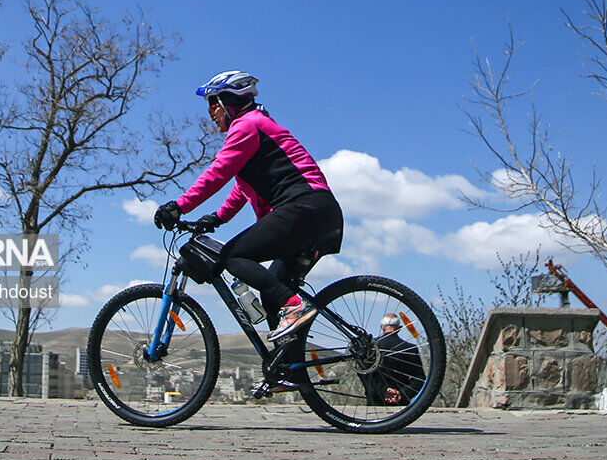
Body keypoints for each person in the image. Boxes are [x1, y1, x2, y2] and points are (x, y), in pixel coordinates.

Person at [155, 70, 344, 342]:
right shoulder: (258, 125)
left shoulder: (246, 125)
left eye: (212, 105)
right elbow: (242, 188)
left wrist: (179, 206)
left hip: (303, 207)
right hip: (319, 213)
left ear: (228, 102)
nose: (210, 114)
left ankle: (294, 306)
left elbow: (219, 172)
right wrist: (218, 217)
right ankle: (289, 377)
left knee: (233, 256)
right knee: (272, 294)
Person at [361, 313, 426, 406]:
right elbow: (419, 379)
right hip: (401, 405)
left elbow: (364, 374)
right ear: (399, 328)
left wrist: (384, 391)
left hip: (375, 402)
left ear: (382, 327)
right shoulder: (410, 348)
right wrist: (402, 394)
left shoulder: (371, 347)